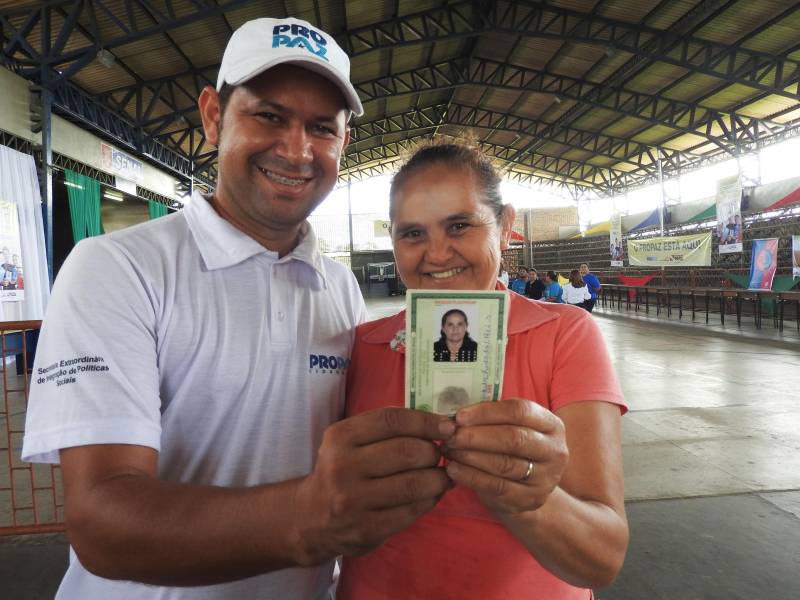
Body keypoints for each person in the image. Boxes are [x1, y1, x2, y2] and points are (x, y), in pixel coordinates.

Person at [22, 17, 455, 600]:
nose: (297, 150)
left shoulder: (337, 287)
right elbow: (103, 521)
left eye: (321, 128)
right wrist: (307, 516)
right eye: (269, 116)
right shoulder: (117, 269)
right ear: (212, 117)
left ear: (342, 144)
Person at [339, 143, 628, 599]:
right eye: (412, 233)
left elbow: (600, 556)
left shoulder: (563, 334)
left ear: (506, 226)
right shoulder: (361, 346)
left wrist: (525, 496)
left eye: (459, 225)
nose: (436, 253)